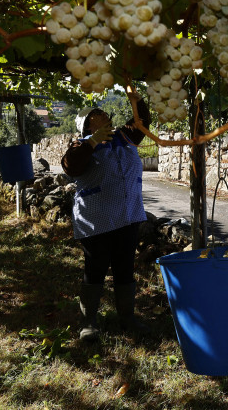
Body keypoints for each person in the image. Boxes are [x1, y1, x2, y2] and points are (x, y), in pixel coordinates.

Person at [62, 99, 151, 341]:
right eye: (95, 115)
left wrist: (134, 94)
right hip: (96, 219)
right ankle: (88, 322)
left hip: (128, 215)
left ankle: (127, 318)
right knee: (96, 268)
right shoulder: (80, 146)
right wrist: (92, 142)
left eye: (102, 111)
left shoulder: (125, 137)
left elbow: (141, 120)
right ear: (87, 126)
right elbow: (71, 166)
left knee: (125, 267)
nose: (102, 114)